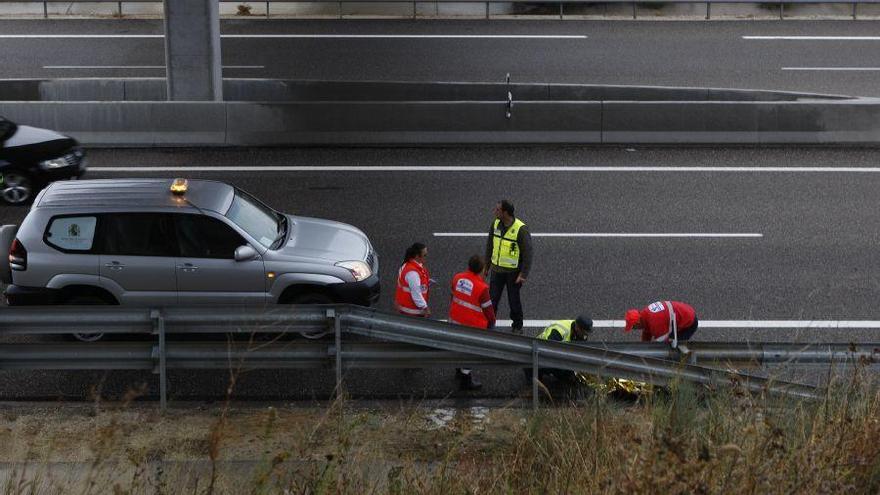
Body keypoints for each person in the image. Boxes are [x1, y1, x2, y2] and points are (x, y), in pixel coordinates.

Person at [483, 200, 532, 335]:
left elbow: (528, 254)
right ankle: (489, 325)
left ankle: (517, 326)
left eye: (498, 210)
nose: (495, 211)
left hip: (513, 273)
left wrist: (523, 274)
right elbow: (490, 246)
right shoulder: (495, 224)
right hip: (497, 270)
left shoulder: (520, 229)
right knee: (492, 300)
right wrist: (486, 266)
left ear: (505, 213)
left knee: (514, 301)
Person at [449, 255, 496, 391]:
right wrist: (491, 324)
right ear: (481, 270)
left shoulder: (457, 278)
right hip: (471, 326)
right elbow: (489, 312)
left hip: (454, 320)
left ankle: (459, 370)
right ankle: (466, 378)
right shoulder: (482, 288)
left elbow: (452, 297)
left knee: (458, 346)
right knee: (471, 350)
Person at [524, 315, 592, 384]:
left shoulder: (581, 333)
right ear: (578, 327)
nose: (585, 335)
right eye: (584, 332)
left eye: (587, 333)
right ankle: (532, 373)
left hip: (556, 353)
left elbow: (579, 351)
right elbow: (550, 354)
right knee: (537, 381)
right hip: (539, 354)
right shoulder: (559, 332)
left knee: (568, 376)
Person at [624, 301, 698, 348]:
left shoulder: (654, 324)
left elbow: (661, 344)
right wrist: (644, 346)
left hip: (689, 322)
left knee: (673, 347)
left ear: (637, 323)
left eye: (633, 327)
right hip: (686, 311)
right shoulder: (645, 314)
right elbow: (647, 332)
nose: (635, 329)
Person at [394, 243, 430, 317]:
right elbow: (416, 294)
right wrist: (425, 308)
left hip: (405, 308)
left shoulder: (407, 265)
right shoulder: (412, 273)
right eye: (424, 255)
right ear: (417, 256)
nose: (426, 257)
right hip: (413, 312)